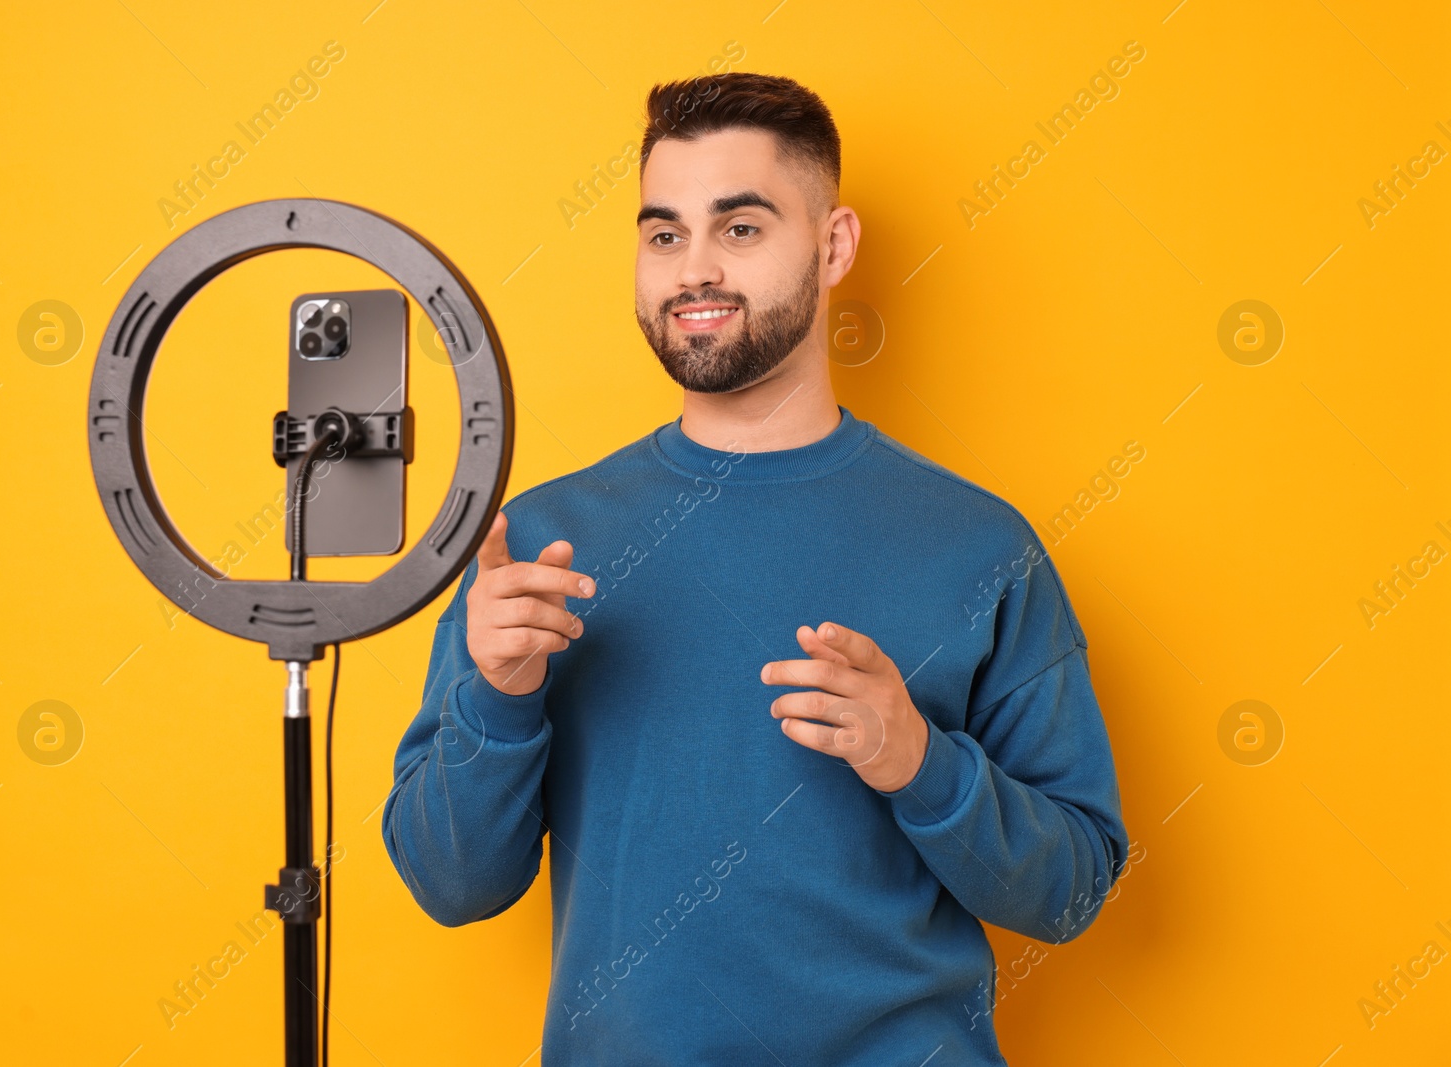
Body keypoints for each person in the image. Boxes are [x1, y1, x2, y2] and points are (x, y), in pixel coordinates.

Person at [383, 71, 1129, 1065]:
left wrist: (917, 758)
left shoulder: (979, 544)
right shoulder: (534, 546)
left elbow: (1073, 887)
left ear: (832, 246)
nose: (693, 268)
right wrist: (500, 696)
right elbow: (450, 881)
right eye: (663, 233)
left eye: (739, 228)